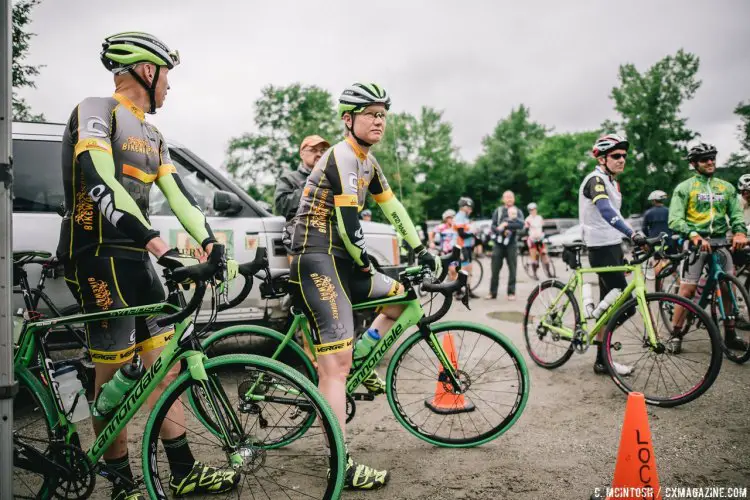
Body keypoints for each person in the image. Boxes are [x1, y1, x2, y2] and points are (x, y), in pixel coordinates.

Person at [56, 32, 239, 499]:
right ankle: (121, 484)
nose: (170, 89)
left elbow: (179, 196)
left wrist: (210, 243)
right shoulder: (96, 110)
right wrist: (159, 245)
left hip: (135, 258)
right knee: (110, 371)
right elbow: (100, 182)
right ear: (147, 70)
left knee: (164, 367)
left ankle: (182, 472)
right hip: (95, 255)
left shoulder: (154, 134)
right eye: (168, 77)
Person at [288, 83, 441, 490]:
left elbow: (393, 208)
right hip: (317, 256)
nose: (379, 120)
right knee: (335, 367)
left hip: (343, 261)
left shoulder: (368, 162)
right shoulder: (340, 155)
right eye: (370, 113)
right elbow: (348, 223)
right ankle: (338, 463)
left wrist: (420, 248)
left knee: (400, 300)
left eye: (383, 114)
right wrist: (364, 259)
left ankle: (361, 356)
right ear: (348, 119)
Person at [667, 143, 748, 353]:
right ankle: (675, 334)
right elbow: (675, 219)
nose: (710, 162)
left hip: (720, 242)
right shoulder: (685, 188)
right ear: (694, 164)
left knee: (727, 288)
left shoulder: (726, 187)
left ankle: (730, 334)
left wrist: (740, 232)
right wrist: (693, 234)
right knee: (688, 290)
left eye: (712, 157)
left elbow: (737, 214)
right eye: (704, 159)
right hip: (696, 243)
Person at [579, 134, 646, 376]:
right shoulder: (595, 180)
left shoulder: (612, 182)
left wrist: (636, 238)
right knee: (626, 306)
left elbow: (615, 216)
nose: (622, 160)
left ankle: (601, 360)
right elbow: (605, 210)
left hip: (613, 246)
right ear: (603, 158)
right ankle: (603, 353)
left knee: (609, 306)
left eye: (624, 156)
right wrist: (631, 233)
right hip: (600, 249)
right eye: (616, 156)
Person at [275, 135, 331, 261]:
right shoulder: (289, 179)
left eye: (322, 151)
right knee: (302, 279)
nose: (319, 154)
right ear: (302, 154)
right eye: (313, 150)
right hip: (300, 246)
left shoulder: (332, 178)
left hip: (329, 243)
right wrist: (311, 184)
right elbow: (282, 205)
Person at [486, 191, 524, 300]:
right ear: (503, 199)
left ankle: (511, 293)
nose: (509, 199)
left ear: (514, 199)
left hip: (512, 244)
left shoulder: (518, 211)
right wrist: (501, 232)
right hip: (498, 244)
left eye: (511, 197)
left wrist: (507, 225)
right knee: (495, 269)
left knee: (513, 269)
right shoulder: (498, 211)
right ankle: (492, 293)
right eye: (507, 197)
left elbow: (521, 225)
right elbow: (493, 226)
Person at [643, 190, 672, 284]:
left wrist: (648, 238)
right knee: (672, 262)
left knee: (657, 262)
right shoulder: (669, 211)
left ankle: (659, 288)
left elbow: (644, 228)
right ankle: (679, 285)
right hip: (669, 241)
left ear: (654, 200)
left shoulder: (649, 213)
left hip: (656, 241)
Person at [453, 197, 478, 298]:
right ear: (464, 207)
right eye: (469, 207)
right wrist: (473, 233)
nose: (470, 209)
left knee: (469, 269)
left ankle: (468, 290)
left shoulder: (465, 217)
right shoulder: (460, 216)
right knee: (464, 269)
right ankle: (458, 291)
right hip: (461, 246)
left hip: (467, 246)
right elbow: (461, 233)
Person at [524, 202, 552, 280]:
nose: (533, 211)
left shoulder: (539, 217)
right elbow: (526, 230)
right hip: (532, 239)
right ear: (529, 211)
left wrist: (544, 235)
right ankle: (535, 274)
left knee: (544, 254)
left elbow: (543, 227)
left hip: (540, 239)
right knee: (534, 256)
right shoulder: (527, 219)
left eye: (534, 209)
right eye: (531, 210)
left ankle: (549, 273)